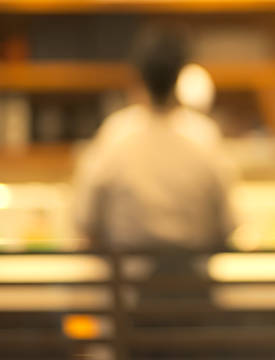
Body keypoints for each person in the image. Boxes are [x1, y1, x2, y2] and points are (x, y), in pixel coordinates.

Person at [74, 25, 235, 252]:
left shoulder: (116, 134)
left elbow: (85, 220)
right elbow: (229, 225)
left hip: (127, 281)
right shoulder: (204, 136)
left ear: (137, 75)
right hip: (192, 282)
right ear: (181, 75)